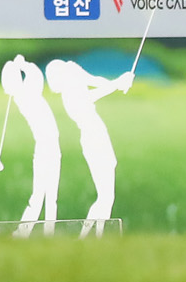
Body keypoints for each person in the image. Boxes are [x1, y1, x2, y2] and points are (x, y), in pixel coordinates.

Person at [44, 58, 131, 236]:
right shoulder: (71, 99)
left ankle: (94, 236)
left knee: (107, 197)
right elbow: (93, 95)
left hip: (98, 135)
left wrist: (120, 83)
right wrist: (117, 83)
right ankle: (87, 237)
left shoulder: (74, 84)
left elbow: (95, 81)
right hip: (93, 140)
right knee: (105, 197)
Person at [0, 55, 60, 236]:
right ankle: (22, 232)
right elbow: (35, 75)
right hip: (45, 149)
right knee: (40, 196)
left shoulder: (24, 94)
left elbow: (34, 77)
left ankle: (46, 232)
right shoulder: (26, 95)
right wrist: (22, 64)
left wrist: (19, 66)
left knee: (50, 197)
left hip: (51, 148)